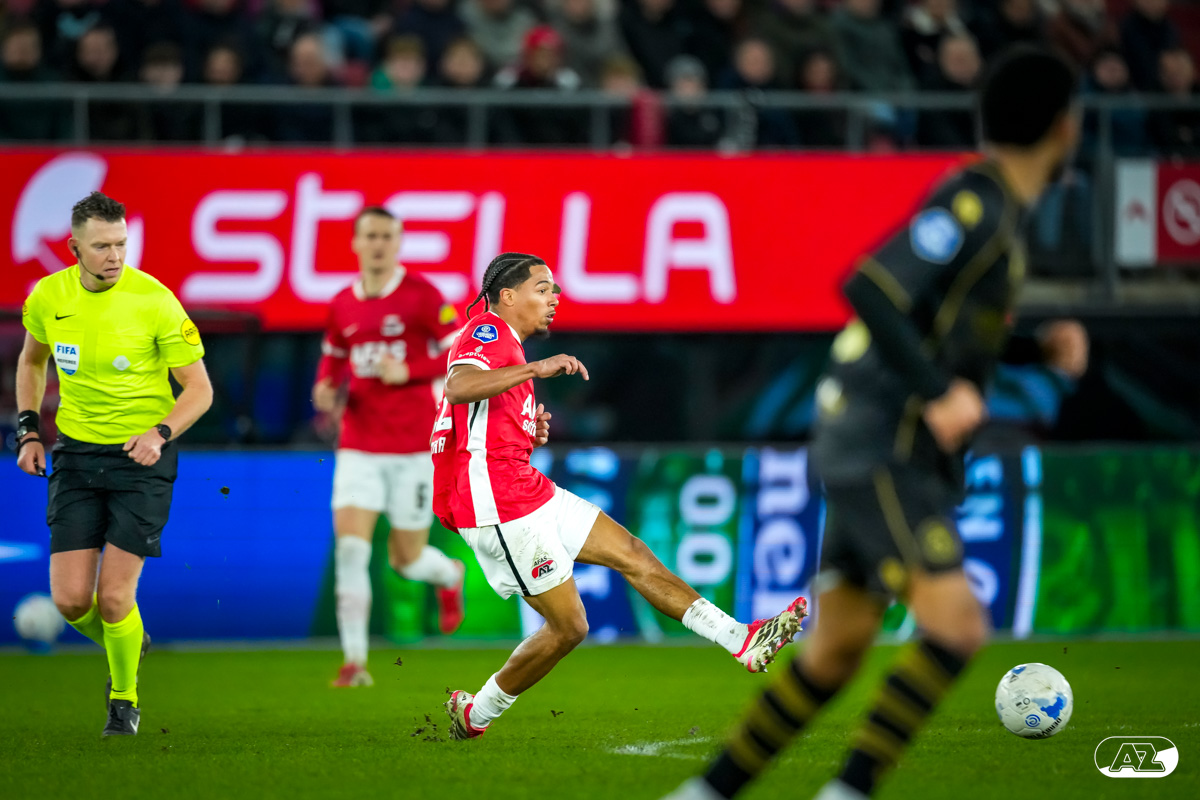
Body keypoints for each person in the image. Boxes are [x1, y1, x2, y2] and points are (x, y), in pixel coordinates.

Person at [664, 44, 1080, 800]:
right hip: (883, 443)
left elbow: (938, 325)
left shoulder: (997, 214)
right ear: (1065, 127)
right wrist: (938, 392)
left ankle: (708, 792)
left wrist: (1032, 348)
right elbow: (871, 286)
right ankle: (851, 789)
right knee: (957, 627)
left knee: (836, 650)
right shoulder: (974, 204)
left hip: (876, 442)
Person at [435, 253, 808, 740]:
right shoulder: (488, 331)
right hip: (497, 502)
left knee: (632, 552)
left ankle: (741, 639)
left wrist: (528, 431)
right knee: (570, 627)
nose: (554, 298)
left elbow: (478, 426)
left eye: (554, 290)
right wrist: (537, 370)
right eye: (542, 289)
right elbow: (458, 386)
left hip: (523, 485)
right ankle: (477, 713)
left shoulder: (508, 346)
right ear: (507, 296)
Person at [16, 191, 213, 736]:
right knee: (69, 601)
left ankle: (123, 701)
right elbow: (31, 361)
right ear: (73, 247)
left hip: (140, 459)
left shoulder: (155, 300)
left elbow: (200, 390)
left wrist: (160, 433)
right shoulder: (48, 296)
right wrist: (29, 430)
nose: (116, 255)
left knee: (114, 597)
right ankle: (128, 640)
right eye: (102, 246)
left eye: (122, 243)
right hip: (76, 456)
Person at [312, 206, 466, 688]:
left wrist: (412, 371)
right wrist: (324, 390)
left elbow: (463, 353)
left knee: (406, 560)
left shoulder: (423, 296)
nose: (378, 244)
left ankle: (450, 575)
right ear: (356, 243)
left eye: (387, 236)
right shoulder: (342, 303)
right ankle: (354, 663)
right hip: (358, 445)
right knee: (351, 551)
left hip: (414, 449)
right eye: (371, 236)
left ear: (398, 243)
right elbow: (333, 360)